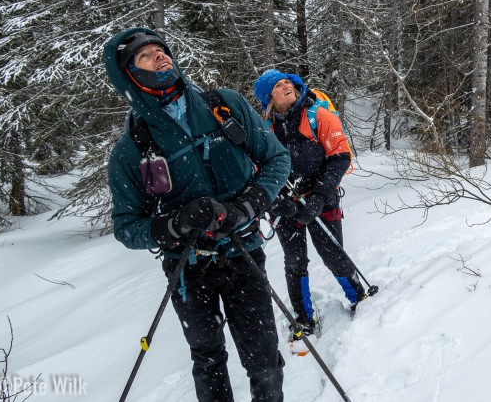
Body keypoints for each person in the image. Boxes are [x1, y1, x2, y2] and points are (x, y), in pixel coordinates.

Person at [104, 28, 290, 402]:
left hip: (244, 253)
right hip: (187, 270)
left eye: (161, 50)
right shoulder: (131, 150)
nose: (159, 57)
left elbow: (277, 159)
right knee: (208, 362)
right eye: (146, 56)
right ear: (129, 75)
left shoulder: (224, 106)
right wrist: (175, 224)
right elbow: (127, 228)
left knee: (265, 360)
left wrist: (247, 206)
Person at [253, 69, 366, 348]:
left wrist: (319, 194)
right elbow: (256, 170)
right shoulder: (263, 129)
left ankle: (359, 297)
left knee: (332, 253)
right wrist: (275, 200)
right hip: (284, 207)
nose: (286, 86)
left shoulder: (318, 116)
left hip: (322, 200)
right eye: (278, 86)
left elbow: (340, 157)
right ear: (268, 97)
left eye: (287, 82)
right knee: (294, 261)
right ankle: (304, 317)